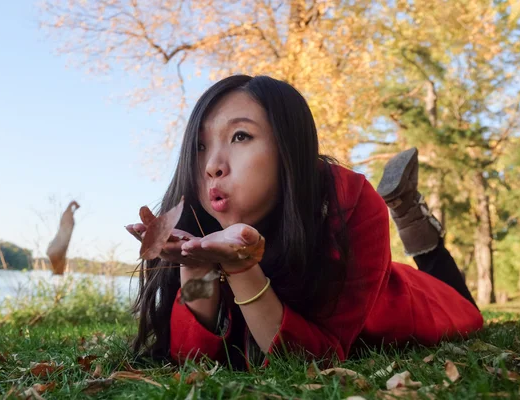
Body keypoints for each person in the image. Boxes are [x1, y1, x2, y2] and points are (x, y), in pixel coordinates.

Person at [125, 75, 483, 369]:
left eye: (241, 136)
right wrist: (198, 268)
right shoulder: (196, 225)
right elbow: (193, 360)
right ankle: (411, 215)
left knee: (467, 309)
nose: (212, 165)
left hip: (399, 298)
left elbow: (316, 359)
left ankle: (410, 217)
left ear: (288, 149)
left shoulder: (349, 201)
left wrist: (242, 269)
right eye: (201, 146)